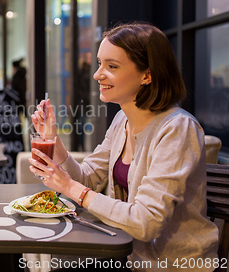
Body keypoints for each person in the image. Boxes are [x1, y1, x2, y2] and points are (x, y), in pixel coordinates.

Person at [30, 22, 219, 271]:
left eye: (112, 66)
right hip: (130, 258)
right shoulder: (122, 120)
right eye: (99, 64)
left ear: (147, 75)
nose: (98, 74)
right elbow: (87, 179)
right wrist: (53, 140)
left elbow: (146, 221)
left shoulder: (178, 129)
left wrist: (70, 187)